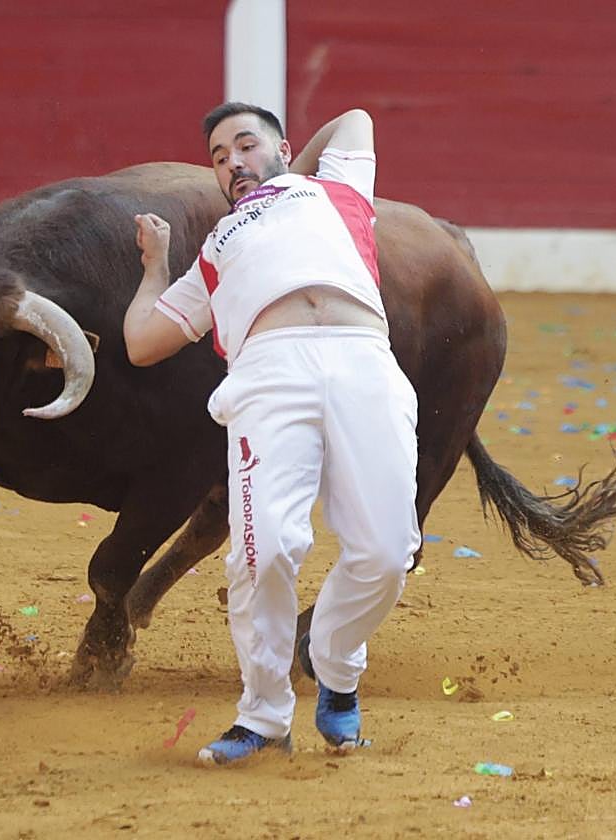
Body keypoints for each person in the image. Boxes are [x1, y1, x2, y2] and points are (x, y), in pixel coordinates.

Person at [123, 103, 421, 766]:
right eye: (219, 157)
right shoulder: (216, 250)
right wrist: (155, 266)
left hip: (363, 361)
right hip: (269, 373)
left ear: (282, 148)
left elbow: (357, 119)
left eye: (245, 146)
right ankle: (262, 715)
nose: (232, 163)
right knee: (265, 552)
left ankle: (335, 667)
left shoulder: (336, 189)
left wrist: (294, 171)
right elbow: (142, 342)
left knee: (387, 552)